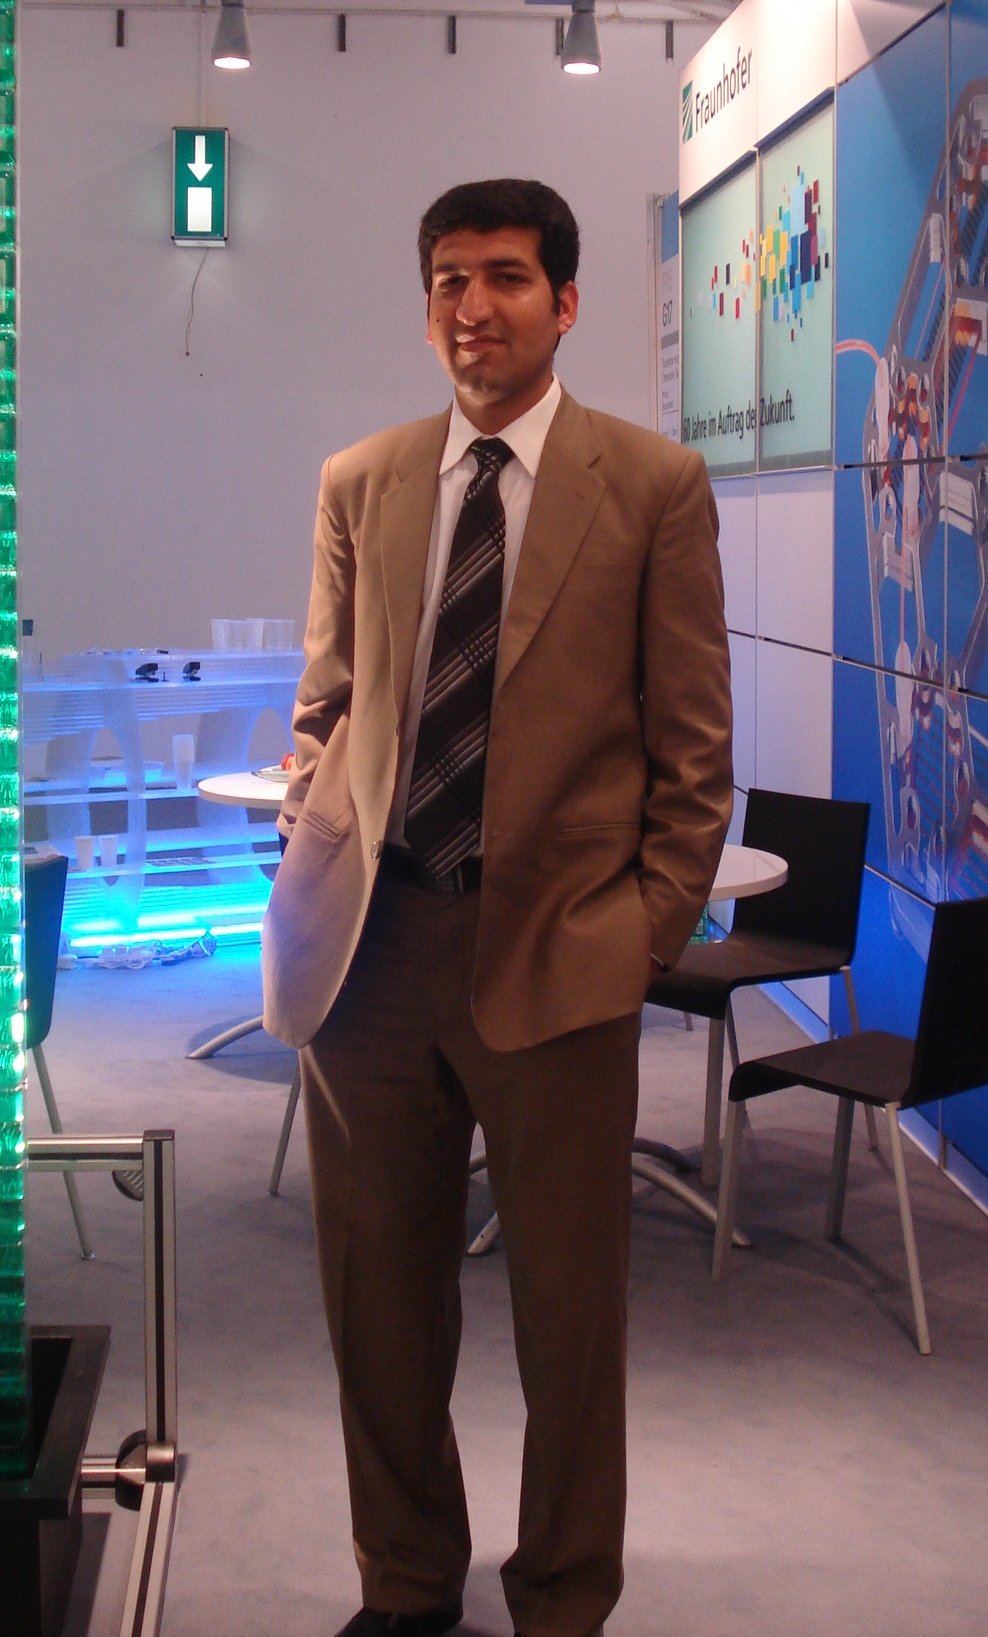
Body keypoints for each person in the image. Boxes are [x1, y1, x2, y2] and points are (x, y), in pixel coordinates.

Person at [263, 178, 733, 1637]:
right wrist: (307, 831)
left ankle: (563, 1597)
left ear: (566, 302)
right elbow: (328, 701)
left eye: (509, 277)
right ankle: (406, 1585)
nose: (476, 306)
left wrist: (641, 935)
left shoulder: (650, 485)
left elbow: (695, 754)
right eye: (451, 281)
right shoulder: (364, 480)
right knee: (379, 1306)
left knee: (568, 1322)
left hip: (559, 953)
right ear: (428, 310)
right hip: (374, 952)